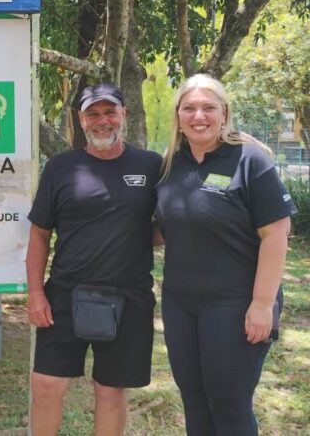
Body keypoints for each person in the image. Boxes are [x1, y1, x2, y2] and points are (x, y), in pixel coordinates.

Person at [155, 74, 296, 435]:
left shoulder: (250, 160)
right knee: (196, 405)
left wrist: (263, 304)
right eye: (189, 108)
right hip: (181, 305)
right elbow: (164, 228)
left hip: (235, 305)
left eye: (208, 107)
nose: (198, 115)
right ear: (178, 115)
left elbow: (277, 234)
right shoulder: (171, 163)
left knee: (229, 407)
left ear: (224, 113)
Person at [26, 83, 162, 435]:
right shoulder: (60, 167)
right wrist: (36, 294)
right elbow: (40, 233)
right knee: (46, 385)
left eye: (109, 112)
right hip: (65, 295)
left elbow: (168, 225)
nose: (102, 121)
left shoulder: (151, 165)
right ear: (81, 120)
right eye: (93, 113)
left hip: (129, 296)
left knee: (111, 390)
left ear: (123, 114)